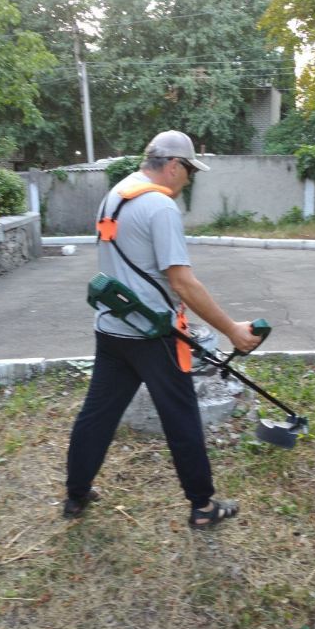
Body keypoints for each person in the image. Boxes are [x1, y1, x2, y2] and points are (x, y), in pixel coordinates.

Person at [64, 130, 261, 527]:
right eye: (189, 170)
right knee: (181, 417)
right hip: (155, 335)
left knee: (97, 415)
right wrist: (231, 330)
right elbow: (182, 282)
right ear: (173, 166)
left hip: (112, 329)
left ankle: (76, 494)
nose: (189, 179)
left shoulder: (115, 195)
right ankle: (203, 507)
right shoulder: (160, 207)